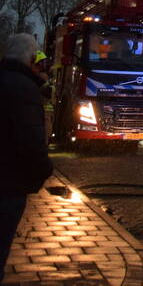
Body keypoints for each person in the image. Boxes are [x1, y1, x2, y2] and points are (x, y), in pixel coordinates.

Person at [0, 34, 54, 273]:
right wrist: (45, 170)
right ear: (31, 59)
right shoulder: (25, 89)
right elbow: (31, 140)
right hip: (9, 185)